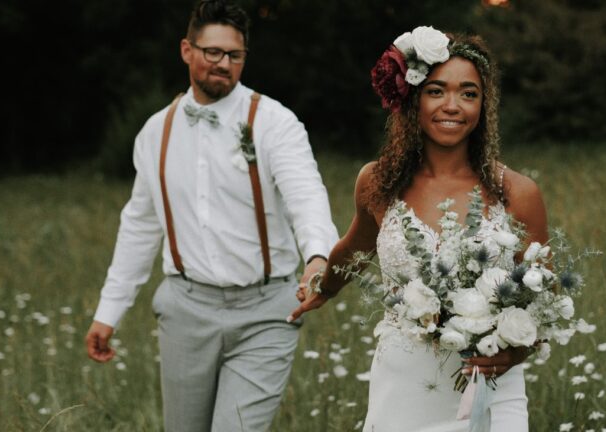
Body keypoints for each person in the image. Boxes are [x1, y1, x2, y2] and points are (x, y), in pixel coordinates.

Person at [84, 1, 339, 431]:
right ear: (187, 50)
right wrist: (109, 312)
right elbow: (141, 227)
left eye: (234, 56)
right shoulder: (154, 133)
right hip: (186, 310)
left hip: (265, 311)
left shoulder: (274, 122)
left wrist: (317, 255)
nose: (223, 64)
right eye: (212, 53)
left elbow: (307, 195)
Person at [288, 28, 548, 431]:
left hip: (488, 384)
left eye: (468, 93)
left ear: (484, 105)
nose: (452, 105)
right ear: (413, 98)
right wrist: (322, 285)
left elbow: (543, 297)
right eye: (436, 91)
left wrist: (517, 351)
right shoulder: (378, 182)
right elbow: (356, 247)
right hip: (404, 383)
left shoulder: (516, 192)